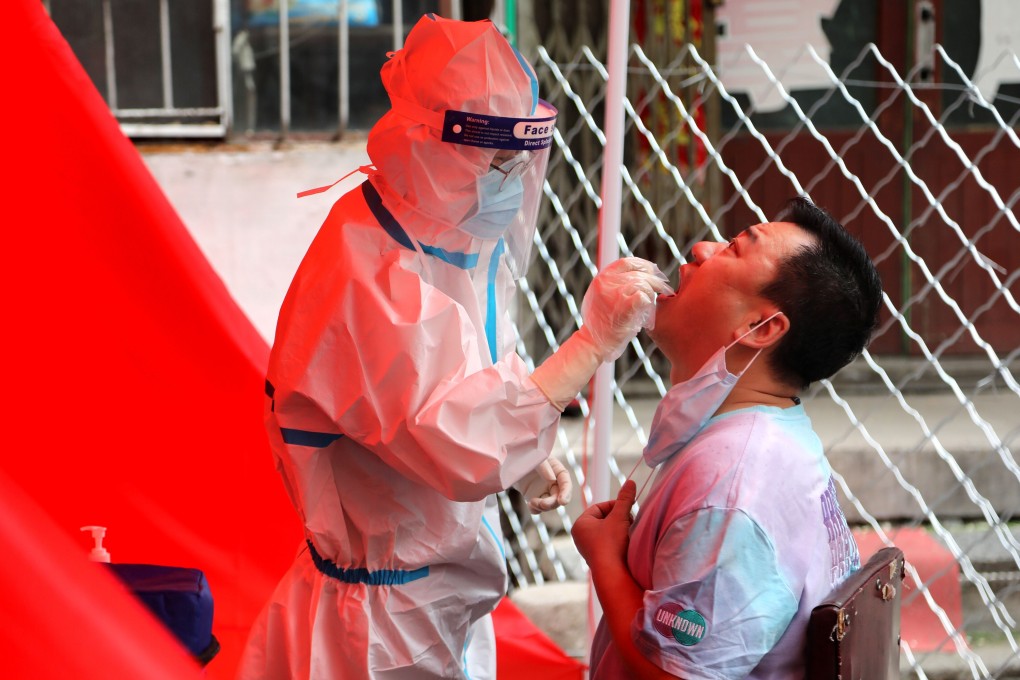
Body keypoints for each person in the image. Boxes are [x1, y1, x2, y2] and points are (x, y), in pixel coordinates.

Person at [237, 14, 671, 680]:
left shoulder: (440, 233)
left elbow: (462, 368)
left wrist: (525, 457)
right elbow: (453, 440)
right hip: (382, 629)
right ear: (429, 145)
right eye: (496, 161)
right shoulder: (375, 270)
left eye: (518, 161)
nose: (511, 179)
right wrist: (589, 345)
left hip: (433, 598)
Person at [572, 197, 883, 680]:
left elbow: (678, 675)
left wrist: (606, 561)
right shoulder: (771, 431)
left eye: (734, 248)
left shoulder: (732, 484)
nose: (699, 249)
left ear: (761, 327)